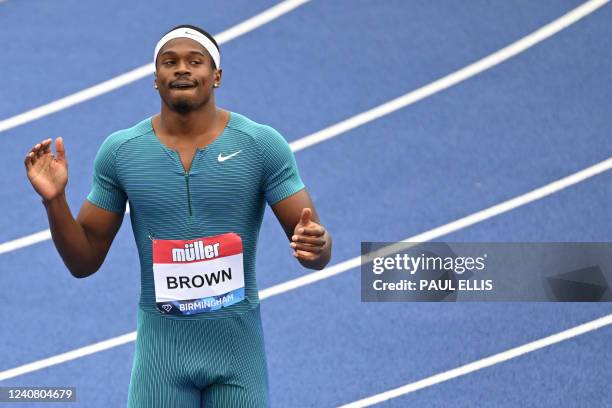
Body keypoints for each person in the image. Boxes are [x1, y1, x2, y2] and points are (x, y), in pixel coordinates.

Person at [24, 24, 332, 407]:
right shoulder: (122, 152)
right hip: (161, 361)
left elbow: (315, 248)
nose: (182, 69)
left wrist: (315, 245)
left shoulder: (261, 145)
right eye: (169, 62)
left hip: (238, 356)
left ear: (216, 76)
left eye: (195, 61)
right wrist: (55, 201)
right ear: (156, 80)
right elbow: (83, 261)